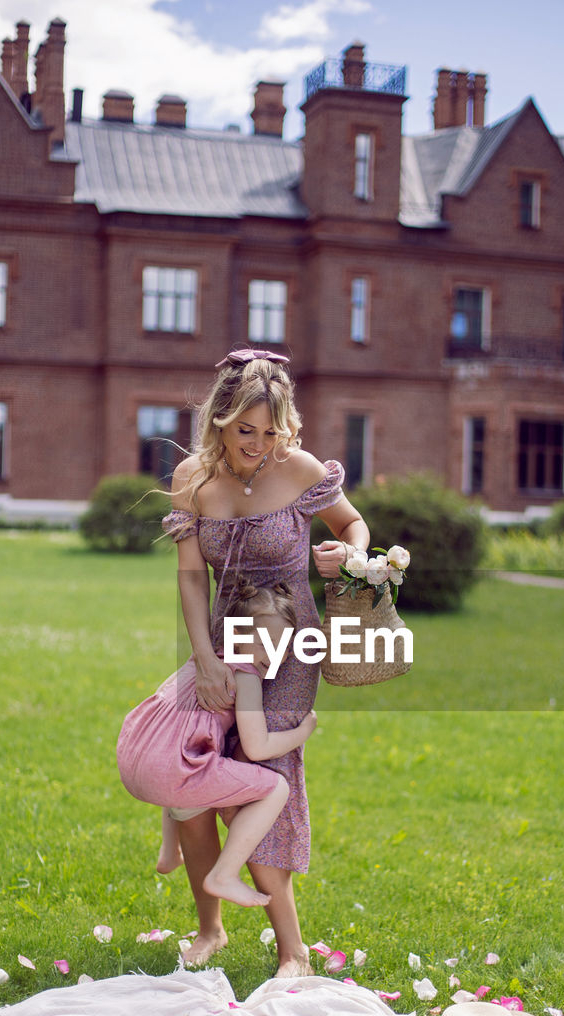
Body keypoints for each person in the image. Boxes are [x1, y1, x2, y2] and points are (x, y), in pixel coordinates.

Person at [163, 347, 369, 977]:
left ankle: (293, 952)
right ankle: (210, 928)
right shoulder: (193, 479)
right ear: (219, 421)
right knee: (190, 777)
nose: (257, 443)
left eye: (269, 430)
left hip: (290, 640)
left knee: (263, 771)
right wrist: (202, 657)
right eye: (243, 430)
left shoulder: (300, 468)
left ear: (287, 426)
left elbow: (355, 525)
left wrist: (348, 556)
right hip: (223, 640)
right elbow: (192, 580)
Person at [117, 579, 317, 910]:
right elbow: (257, 747)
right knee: (276, 789)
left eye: (283, 647)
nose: (275, 656)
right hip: (171, 773)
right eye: (266, 644)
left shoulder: (204, 663)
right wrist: (303, 731)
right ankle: (224, 874)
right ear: (237, 635)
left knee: (183, 756)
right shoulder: (246, 674)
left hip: (135, 759)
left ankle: (170, 852)